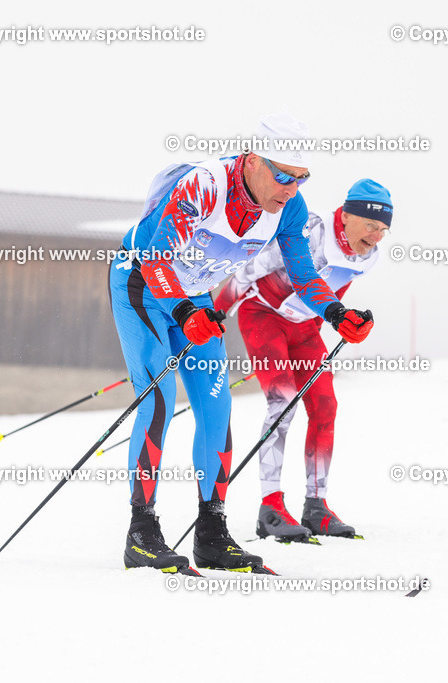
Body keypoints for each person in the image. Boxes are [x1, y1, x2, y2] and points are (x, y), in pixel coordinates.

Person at [109, 113, 374, 574]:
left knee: (217, 411)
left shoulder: (288, 208)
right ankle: (142, 533)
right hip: (143, 286)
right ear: (252, 160)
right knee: (157, 401)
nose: (290, 188)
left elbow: (301, 273)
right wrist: (187, 313)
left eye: (300, 178)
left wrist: (335, 313)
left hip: (191, 298)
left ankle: (212, 533)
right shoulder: (205, 185)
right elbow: (155, 258)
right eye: (281, 175)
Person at [214, 179, 393, 542]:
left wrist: (348, 322)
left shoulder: (367, 257)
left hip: (304, 327)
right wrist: (217, 313)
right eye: (371, 225)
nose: (377, 236)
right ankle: (271, 507)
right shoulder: (312, 231)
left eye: (384, 229)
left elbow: (333, 293)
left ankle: (316, 507)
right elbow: (249, 270)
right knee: (282, 402)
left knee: (325, 407)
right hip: (262, 314)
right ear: (346, 215)